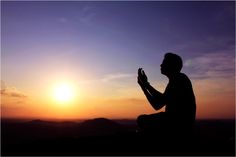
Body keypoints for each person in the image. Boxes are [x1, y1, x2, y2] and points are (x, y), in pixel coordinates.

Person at [137, 53, 196, 137]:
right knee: (142, 119)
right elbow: (157, 104)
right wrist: (144, 86)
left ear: (171, 65)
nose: (161, 65)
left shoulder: (179, 79)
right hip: (175, 121)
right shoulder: (177, 79)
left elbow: (158, 103)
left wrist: (145, 85)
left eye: (164, 63)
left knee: (142, 120)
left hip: (178, 124)